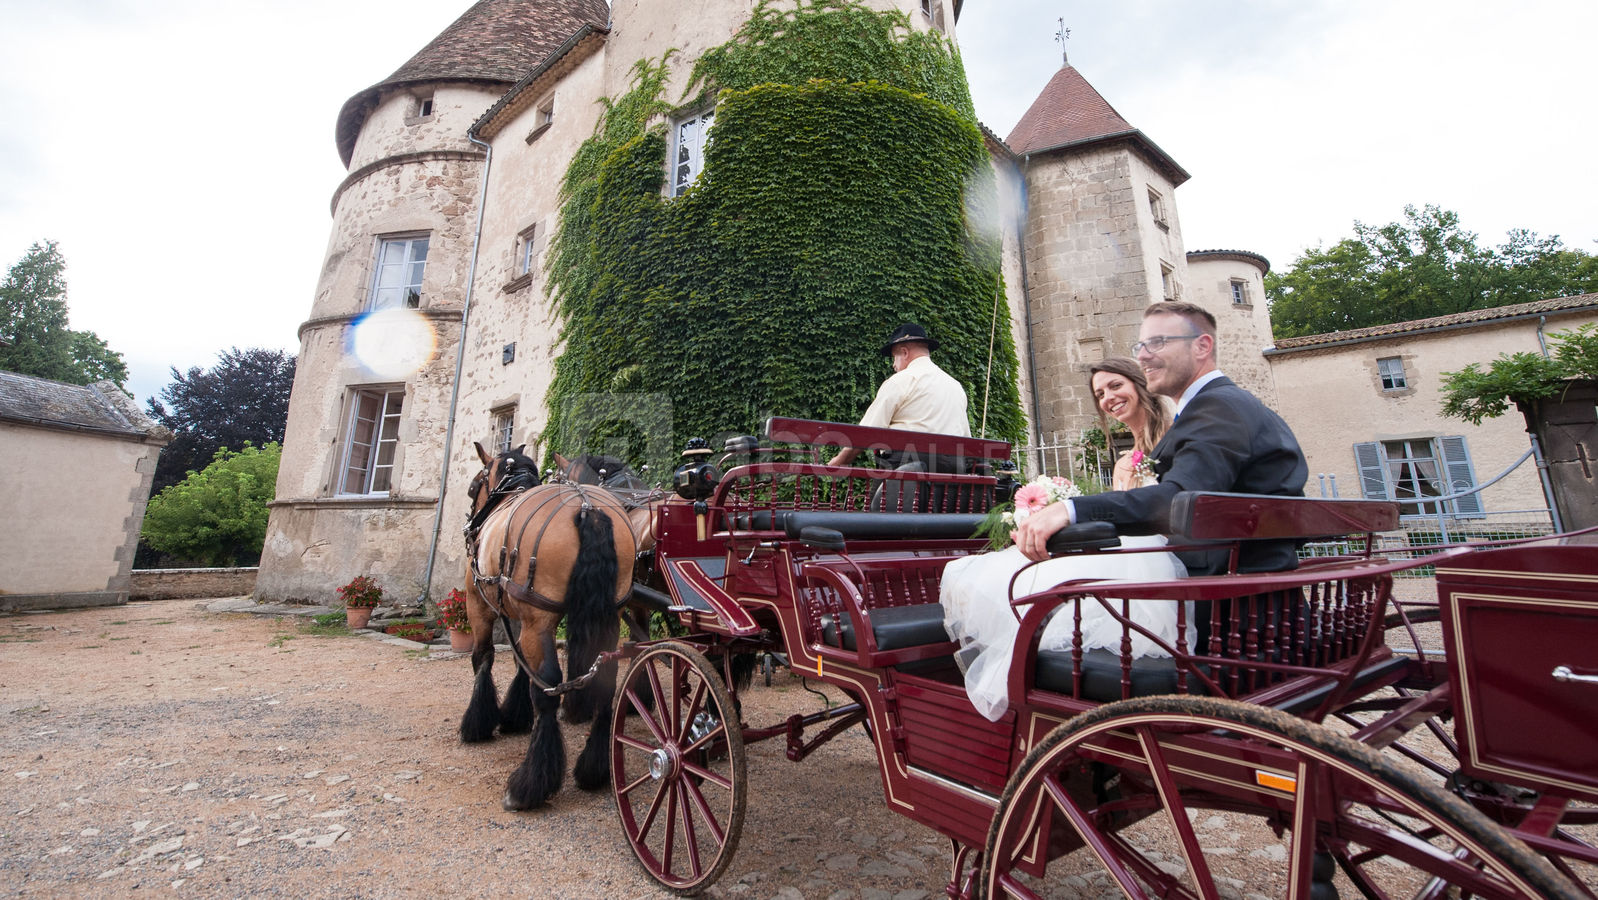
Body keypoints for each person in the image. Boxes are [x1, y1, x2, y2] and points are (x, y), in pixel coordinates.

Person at [940, 356, 1187, 720]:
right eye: (1099, 394)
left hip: (1151, 557)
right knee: (1001, 571)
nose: (1108, 398)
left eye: (1115, 386)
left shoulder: (1174, 440)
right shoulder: (1125, 461)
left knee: (1016, 578)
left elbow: (1164, 510)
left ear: (1140, 384)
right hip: (1124, 546)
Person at [1015, 300, 1308, 576]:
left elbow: (1181, 500)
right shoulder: (1215, 406)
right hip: (1216, 581)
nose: (1142, 356)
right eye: (1140, 346)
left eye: (1158, 342)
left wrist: (1070, 509)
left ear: (1202, 346)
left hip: (1225, 594)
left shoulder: (1219, 407)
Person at [827, 323, 969, 470]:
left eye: (894, 357)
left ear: (905, 353)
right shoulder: (956, 387)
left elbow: (867, 432)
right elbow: (966, 439)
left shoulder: (901, 380)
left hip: (908, 469)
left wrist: (838, 461)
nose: (893, 365)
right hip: (952, 474)